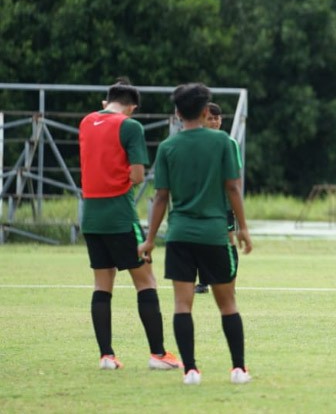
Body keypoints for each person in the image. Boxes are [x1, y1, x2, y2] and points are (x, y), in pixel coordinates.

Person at [138, 83, 254, 385]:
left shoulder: (167, 147)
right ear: (206, 111)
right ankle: (238, 369)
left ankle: (190, 370)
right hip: (215, 235)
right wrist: (242, 229)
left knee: (182, 305)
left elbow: (160, 197)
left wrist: (150, 239)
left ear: (177, 113)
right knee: (228, 304)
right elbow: (233, 188)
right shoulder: (223, 143)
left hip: (179, 236)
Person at [78, 78, 181, 371]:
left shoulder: (86, 122)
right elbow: (137, 176)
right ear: (132, 107)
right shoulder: (130, 126)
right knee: (145, 281)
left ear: (104, 102)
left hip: (92, 216)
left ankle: (106, 355)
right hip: (120, 216)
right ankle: (158, 354)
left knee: (102, 285)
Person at [194, 102, 239, 295]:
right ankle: (203, 282)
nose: (214, 122)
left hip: (224, 205)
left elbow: (235, 176)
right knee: (201, 243)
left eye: (217, 118)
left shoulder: (229, 143)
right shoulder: (195, 143)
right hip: (201, 203)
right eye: (210, 118)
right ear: (202, 120)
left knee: (228, 242)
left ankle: (230, 283)